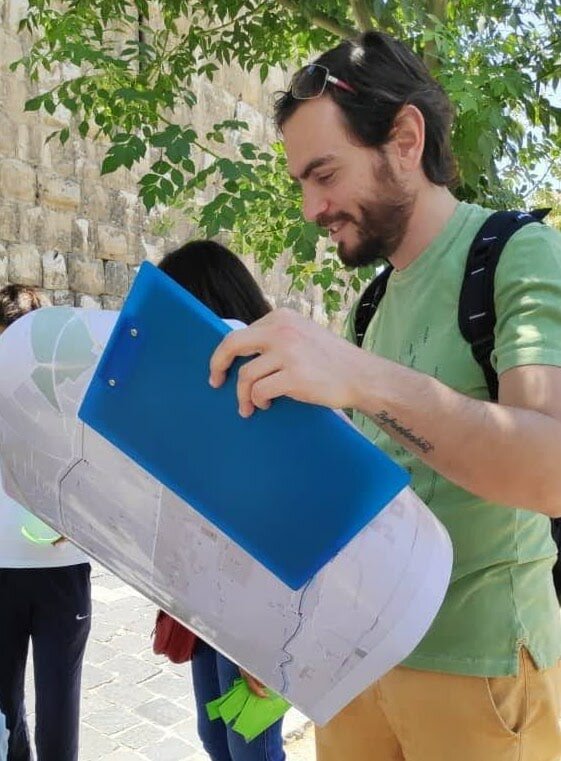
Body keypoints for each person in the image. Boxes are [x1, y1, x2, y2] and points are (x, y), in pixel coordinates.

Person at [208, 31, 561, 761]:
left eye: (324, 173)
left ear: (404, 138)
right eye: (301, 184)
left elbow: (548, 469)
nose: (312, 207)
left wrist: (360, 377)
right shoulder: (368, 306)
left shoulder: (511, 252)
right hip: (355, 663)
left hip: (480, 672)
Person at [157, 241, 286, 761]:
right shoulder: (201, 386)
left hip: (254, 601)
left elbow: (280, 506)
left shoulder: (269, 382)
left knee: (250, 748)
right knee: (217, 739)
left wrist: (267, 639)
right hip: (205, 593)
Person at [0, 285, 92, 761]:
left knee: (59, 716)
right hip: (1, 571)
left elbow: (102, 474)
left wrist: (76, 513)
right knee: (4, 715)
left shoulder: (74, 399)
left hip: (63, 572)